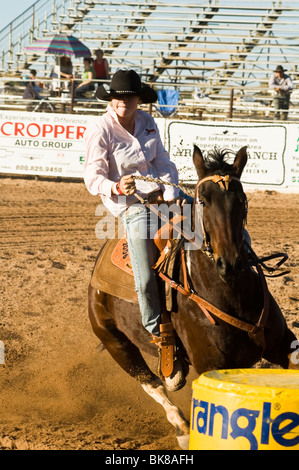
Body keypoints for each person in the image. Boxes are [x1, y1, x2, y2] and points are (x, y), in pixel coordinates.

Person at [84, 69, 185, 390]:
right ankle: (159, 333)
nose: (121, 101)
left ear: (138, 99)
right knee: (144, 276)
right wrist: (116, 186)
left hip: (162, 196)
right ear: (110, 99)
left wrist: (172, 190)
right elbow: (92, 177)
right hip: (133, 206)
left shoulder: (148, 122)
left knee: (215, 225)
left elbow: (164, 163)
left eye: (127, 96)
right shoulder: (101, 129)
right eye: (116, 96)